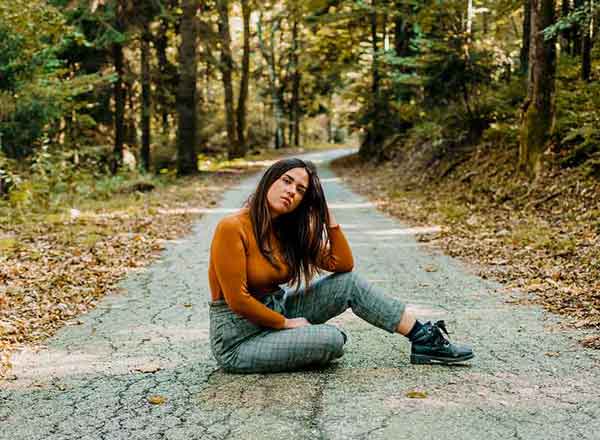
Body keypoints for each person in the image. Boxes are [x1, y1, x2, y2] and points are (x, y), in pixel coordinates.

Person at [208, 158, 473, 373]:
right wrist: (286, 324)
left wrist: (329, 220)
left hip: (277, 312)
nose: (291, 191)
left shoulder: (287, 233)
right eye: (286, 181)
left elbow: (342, 265)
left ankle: (424, 338)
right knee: (332, 339)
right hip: (239, 340)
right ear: (269, 180)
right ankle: (306, 340)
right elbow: (237, 300)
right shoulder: (232, 227)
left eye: (300, 190)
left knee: (349, 284)